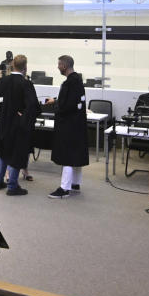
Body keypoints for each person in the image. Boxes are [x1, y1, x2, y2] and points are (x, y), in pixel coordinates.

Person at [0, 54, 38, 195]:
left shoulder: (2, 81)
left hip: (3, 123)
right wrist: (25, 119)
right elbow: (33, 105)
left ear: (12, 66)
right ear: (25, 67)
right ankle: (12, 185)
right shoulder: (25, 83)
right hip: (18, 126)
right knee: (16, 153)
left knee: (3, 152)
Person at [46, 55, 87, 198]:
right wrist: (57, 100)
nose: (58, 67)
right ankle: (75, 183)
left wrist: (56, 105)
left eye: (59, 64)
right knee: (75, 154)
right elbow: (71, 100)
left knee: (67, 156)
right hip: (77, 124)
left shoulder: (70, 82)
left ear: (64, 65)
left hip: (68, 125)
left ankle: (64, 188)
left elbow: (66, 105)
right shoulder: (77, 80)